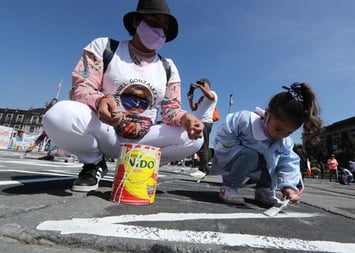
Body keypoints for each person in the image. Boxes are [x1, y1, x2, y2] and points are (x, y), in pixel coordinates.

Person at [43, 0, 204, 192]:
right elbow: (82, 86)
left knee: (195, 139)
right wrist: (100, 101)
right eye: (154, 22)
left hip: (144, 138)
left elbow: (171, 109)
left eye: (165, 27)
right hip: (106, 130)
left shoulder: (168, 67)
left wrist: (186, 118)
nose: (159, 31)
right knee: (59, 115)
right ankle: (94, 163)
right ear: (136, 21)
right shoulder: (105, 47)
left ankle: (137, 165)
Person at [211, 82, 322, 205]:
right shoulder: (247, 121)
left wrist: (288, 187)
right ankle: (229, 187)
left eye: (289, 132)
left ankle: (263, 190)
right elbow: (225, 133)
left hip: (255, 166)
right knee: (252, 154)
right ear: (267, 115)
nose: (281, 135)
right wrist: (236, 152)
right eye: (278, 129)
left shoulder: (284, 142)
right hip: (232, 159)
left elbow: (288, 163)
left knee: (272, 159)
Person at [187, 78, 218, 176]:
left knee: (203, 145)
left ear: (208, 85)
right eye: (199, 84)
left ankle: (204, 169)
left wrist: (200, 87)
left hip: (205, 122)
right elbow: (193, 108)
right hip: (198, 122)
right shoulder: (202, 98)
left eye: (202, 84)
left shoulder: (212, 93)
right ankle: (203, 168)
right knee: (197, 143)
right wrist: (191, 99)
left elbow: (210, 96)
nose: (200, 85)